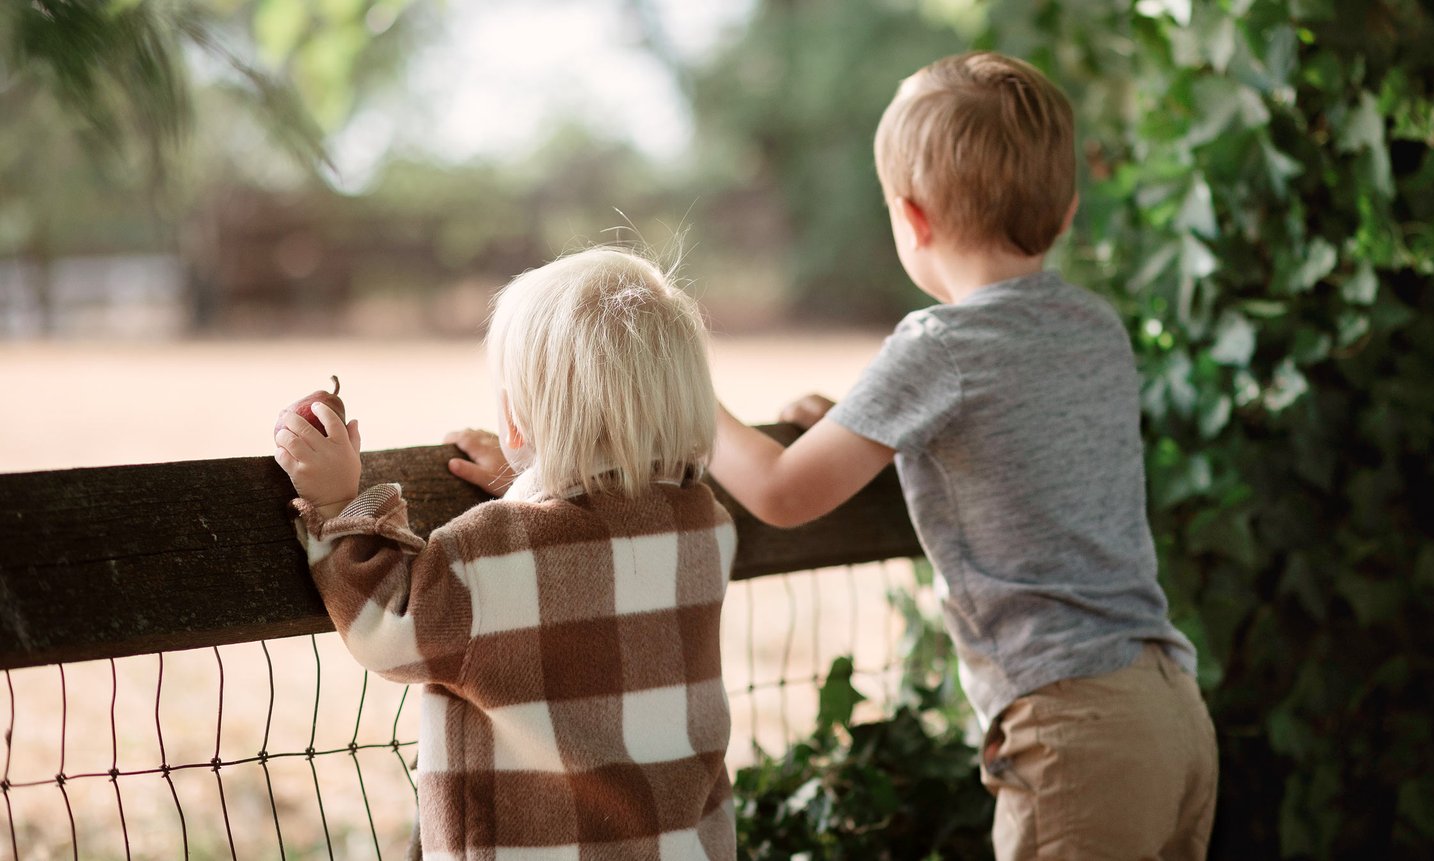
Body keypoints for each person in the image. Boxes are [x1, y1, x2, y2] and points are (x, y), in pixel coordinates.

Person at [709, 52, 1219, 859]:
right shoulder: (1094, 328)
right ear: (1067, 210)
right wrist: (849, 420)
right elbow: (1001, 426)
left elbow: (779, 493)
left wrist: (688, 405)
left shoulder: (939, 344)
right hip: (1171, 709)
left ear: (911, 220)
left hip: (1072, 731)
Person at [272, 247, 738, 860]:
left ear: (517, 423)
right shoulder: (707, 524)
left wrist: (337, 504)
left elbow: (388, 631)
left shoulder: (491, 550)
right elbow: (593, 538)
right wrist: (530, 481)